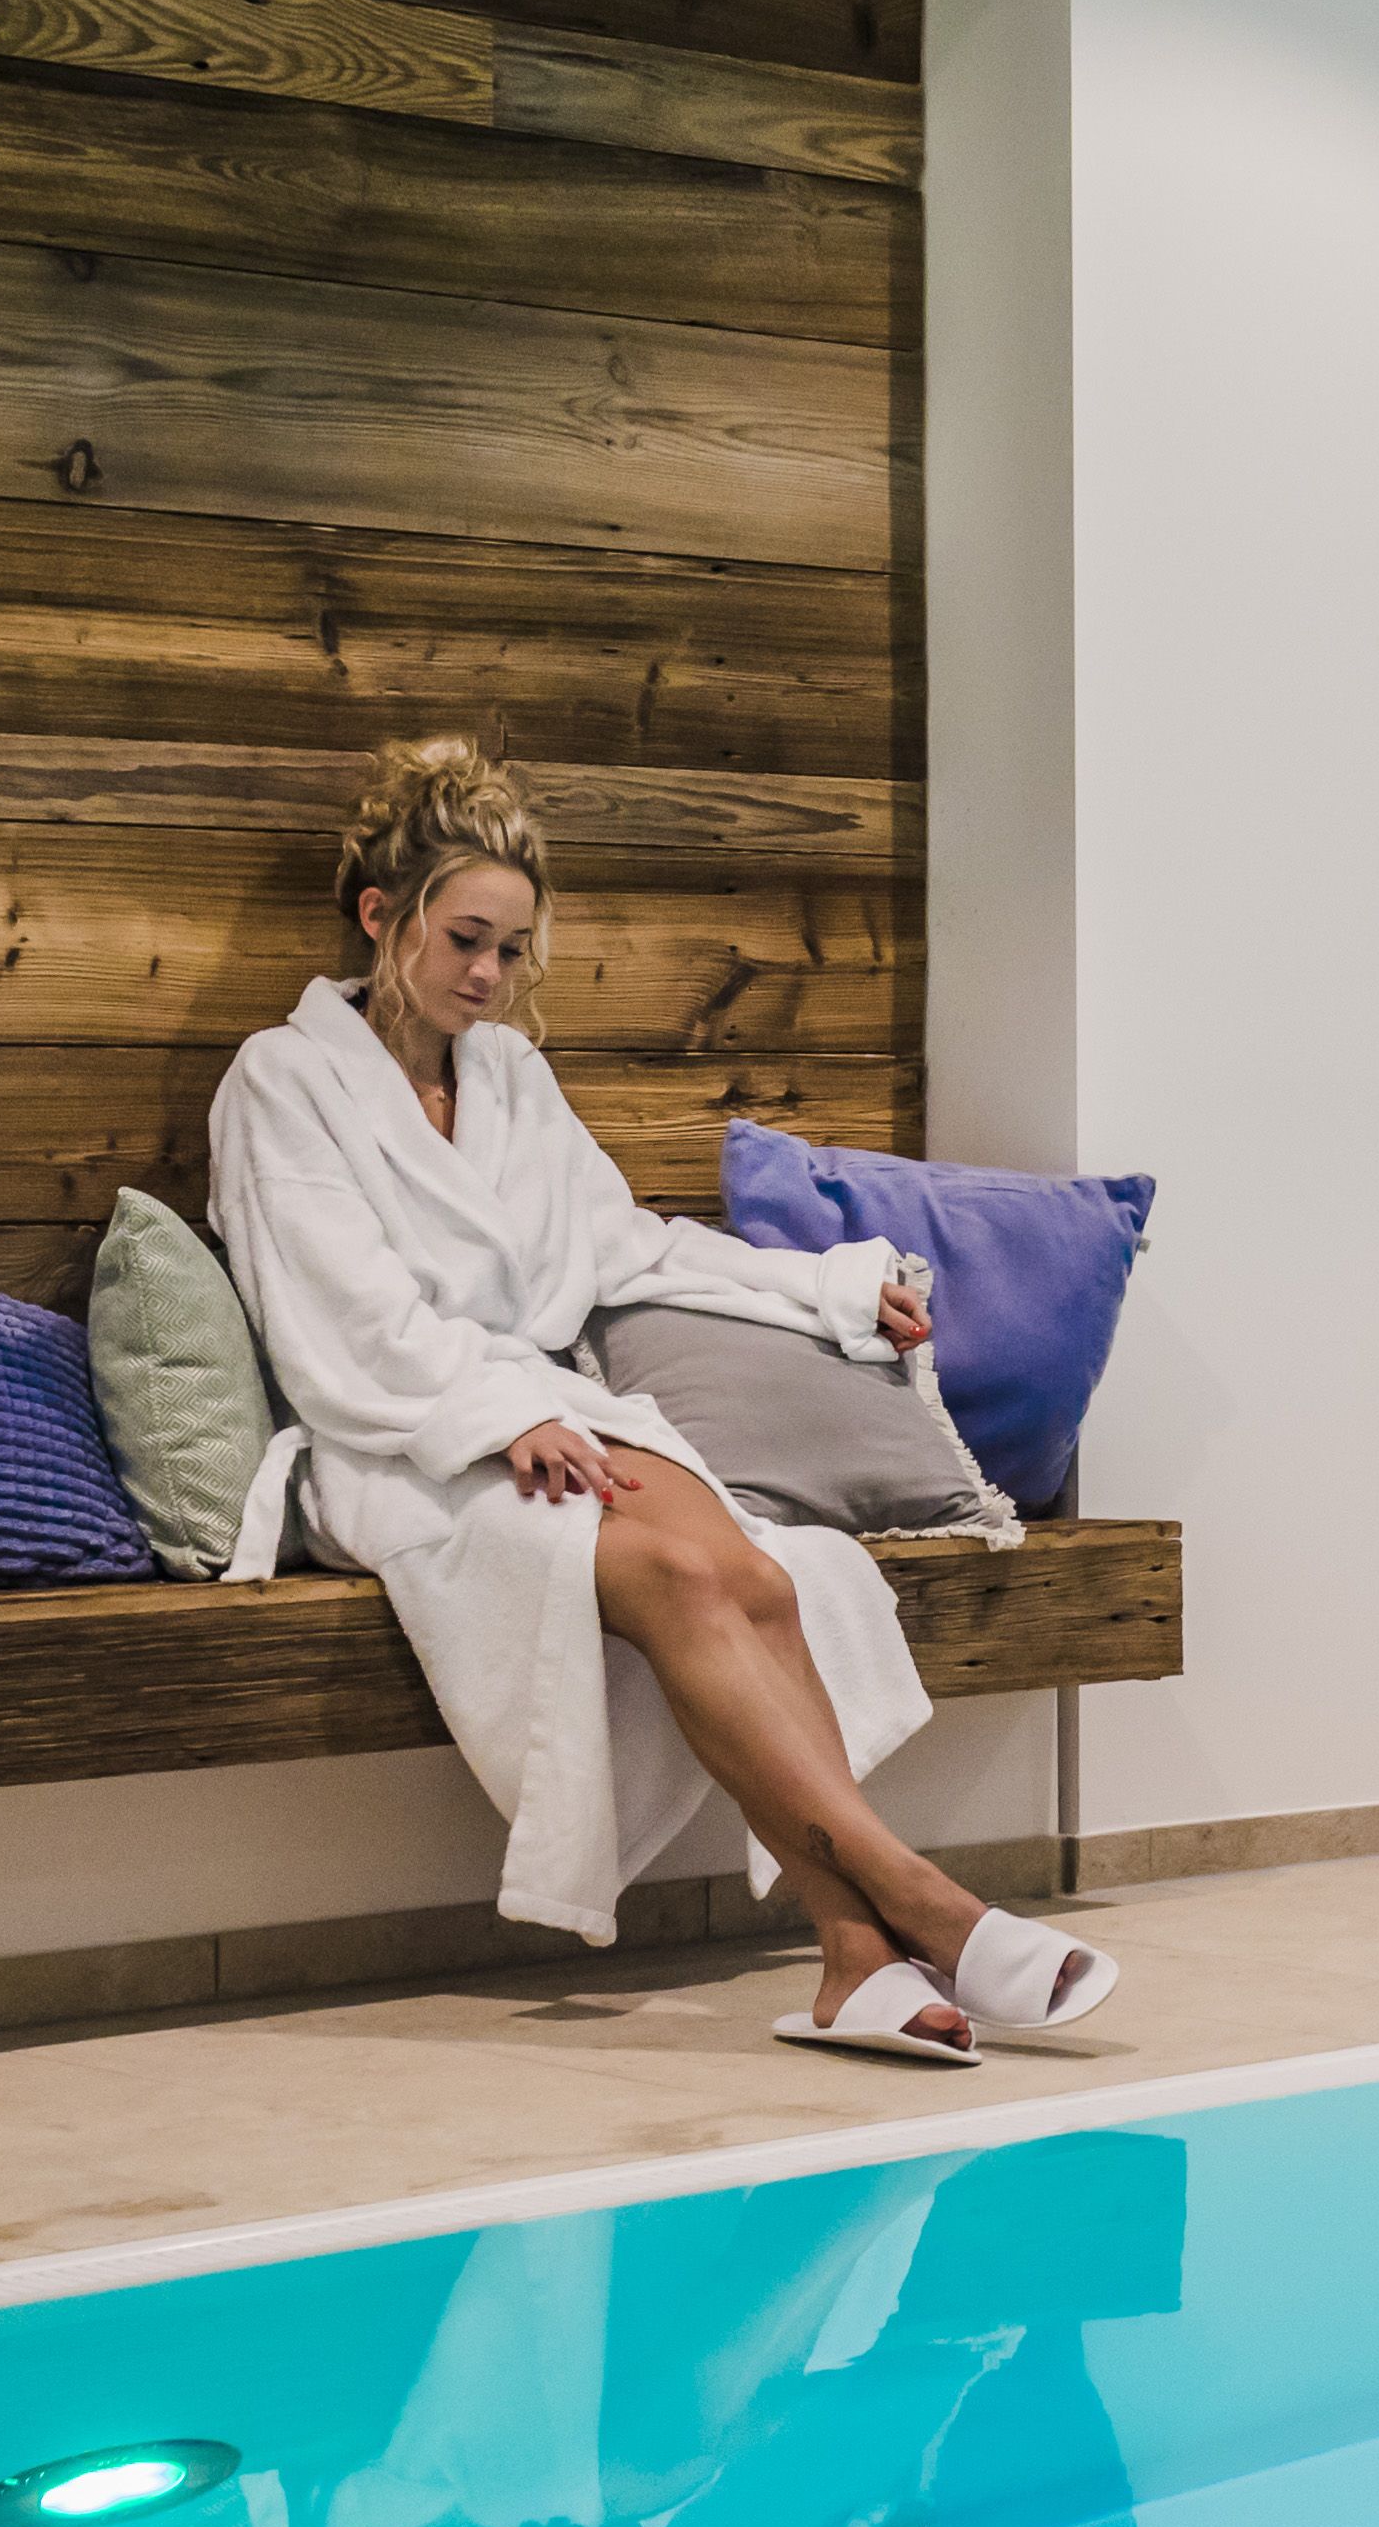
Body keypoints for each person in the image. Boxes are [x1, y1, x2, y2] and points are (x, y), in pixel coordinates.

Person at [209, 737, 1125, 2063]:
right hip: (402, 1439)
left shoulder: (511, 1080)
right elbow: (335, 1316)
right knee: (686, 1577)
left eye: (512, 949)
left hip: (550, 1410)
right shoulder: (281, 1081)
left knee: (754, 1574)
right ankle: (923, 1903)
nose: (489, 975)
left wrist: (826, 1290)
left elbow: (625, 1247)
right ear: (379, 916)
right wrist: (490, 1419)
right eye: (465, 940)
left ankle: (856, 1960)